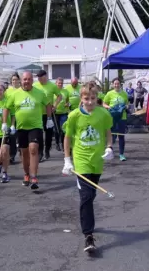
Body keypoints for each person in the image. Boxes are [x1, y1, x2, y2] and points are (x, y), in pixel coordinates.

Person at [62, 82, 114, 253]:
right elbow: (68, 138)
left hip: (97, 161)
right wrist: (67, 160)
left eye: (93, 98)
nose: (90, 102)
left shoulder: (103, 114)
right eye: (86, 98)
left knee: (91, 195)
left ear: (97, 98)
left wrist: (109, 147)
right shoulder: (74, 116)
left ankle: (87, 221)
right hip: (81, 160)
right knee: (86, 196)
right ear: (81, 98)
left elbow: (108, 132)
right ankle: (88, 235)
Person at [3, 71, 49, 190]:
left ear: (32, 80)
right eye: (25, 79)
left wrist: (49, 119)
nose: (26, 81)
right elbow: (6, 108)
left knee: (33, 149)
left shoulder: (39, 93)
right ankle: (26, 174)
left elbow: (48, 104)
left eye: (29, 79)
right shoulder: (14, 94)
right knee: (24, 153)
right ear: (21, 81)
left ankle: (34, 177)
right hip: (21, 128)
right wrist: (4, 123)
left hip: (36, 126)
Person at [33, 70, 61, 161]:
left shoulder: (52, 86)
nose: (39, 79)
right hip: (38, 114)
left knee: (48, 134)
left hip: (49, 114)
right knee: (39, 134)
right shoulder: (35, 86)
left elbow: (59, 96)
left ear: (45, 76)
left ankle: (47, 150)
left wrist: (55, 106)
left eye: (40, 77)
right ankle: (40, 152)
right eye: (38, 77)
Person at [103, 78, 129, 161]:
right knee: (112, 136)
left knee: (121, 136)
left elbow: (127, 103)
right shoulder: (109, 94)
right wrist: (109, 107)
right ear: (112, 84)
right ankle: (110, 153)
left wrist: (126, 106)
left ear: (120, 84)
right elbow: (104, 104)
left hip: (122, 117)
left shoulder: (124, 94)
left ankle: (122, 154)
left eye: (118, 84)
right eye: (115, 84)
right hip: (112, 117)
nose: (116, 85)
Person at [5, 73, 21, 164]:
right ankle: (12, 155)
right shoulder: (8, 91)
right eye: (13, 80)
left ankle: (22, 151)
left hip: (21, 116)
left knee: (21, 136)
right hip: (11, 116)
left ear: (19, 80)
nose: (14, 81)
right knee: (12, 137)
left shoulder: (22, 90)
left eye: (16, 79)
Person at [54, 77, 69, 151]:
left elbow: (67, 101)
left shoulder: (65, 91)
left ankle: (63, 144)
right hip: (55, 113)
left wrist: (67, 104)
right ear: (56, 83)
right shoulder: (54, 91)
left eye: (61, 83)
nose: (60, 84)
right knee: (57, 129)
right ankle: (57, 143)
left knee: (63, 129)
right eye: (59, 83)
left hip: (64, 112)